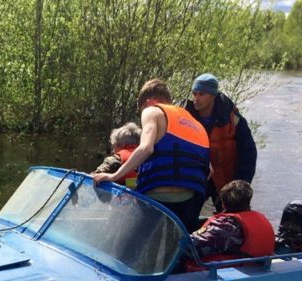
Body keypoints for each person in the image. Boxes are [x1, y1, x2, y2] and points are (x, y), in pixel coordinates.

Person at [92, 79, 210, 233]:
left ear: (148, 103)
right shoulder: (195, 124)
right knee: (174, 246)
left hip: (158, 197)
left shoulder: (152, 111)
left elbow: (146, 148)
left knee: (132, 244)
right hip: (191, 200)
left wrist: (114, 176)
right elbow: (210, 171)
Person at [182, 73, 257, 211]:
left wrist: (240, 185)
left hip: (227, 182)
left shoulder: (233, 119)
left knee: (233, 216)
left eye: (201, 94)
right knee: (187, 214)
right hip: (198, 181)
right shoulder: (185, 119)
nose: (196, 98)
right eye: (194, 93)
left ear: (213, 96)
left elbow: (248, 154)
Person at [188, 180, 274, 267]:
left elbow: (191, 248)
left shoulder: (227, 226)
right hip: (257, 267)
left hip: (223, 271)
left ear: (223, 203)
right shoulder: (259, 218)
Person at [92, 122, 141, 189]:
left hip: (121, 195)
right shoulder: (147, 158)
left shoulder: (115, 160)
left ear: (122, 145)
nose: (113, 150)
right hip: (143, 194)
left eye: (114, 145)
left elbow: (92, 179)